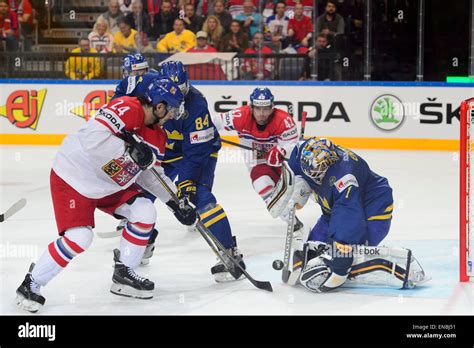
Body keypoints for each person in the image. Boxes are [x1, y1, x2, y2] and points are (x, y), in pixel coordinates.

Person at [15, 79, 196, 312]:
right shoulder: (128, 107)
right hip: (75, 178)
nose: (172, 115)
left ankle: (124, 273)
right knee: (80, 238)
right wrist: (128, 151)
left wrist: (173, 201)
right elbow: (93, 139)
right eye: (171, 109)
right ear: (159, 107)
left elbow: (149, 174)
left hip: (110, 185)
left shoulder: (159, 136)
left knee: (144, 211)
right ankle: (32, 283)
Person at [266, 137, 426, 293]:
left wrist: (341, 257)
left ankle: (397, 268)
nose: (320, 173)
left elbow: (348, 215)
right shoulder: (308, 151)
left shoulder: (344, 177)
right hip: (335, 209)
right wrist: (298, 180)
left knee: (348, 254)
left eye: (323, 169)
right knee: (314, 249)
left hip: (374, 211)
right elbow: (295, 157)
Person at [158, 61, 245, 283]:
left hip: (200, 151)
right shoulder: (150, 92)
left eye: (183, 89)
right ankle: (142, 242)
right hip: (167, 149)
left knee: (200, 197)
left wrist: (186, 184)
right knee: (145, 188)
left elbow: (196, 154)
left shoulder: (196, 105)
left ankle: (228, 251)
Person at [212, 87, 303, 232]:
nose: (262, 114)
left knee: (304, 183)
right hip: (257, 160)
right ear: (251, 107)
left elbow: (293, 145)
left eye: (266, 109)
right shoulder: (240, 116)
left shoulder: (283, 120)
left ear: (272, 107)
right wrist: (208, 136)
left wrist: (282, 150)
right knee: (262, 184)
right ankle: (289, 219)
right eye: (258, 109)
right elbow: (212, 122)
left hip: (281, 159)